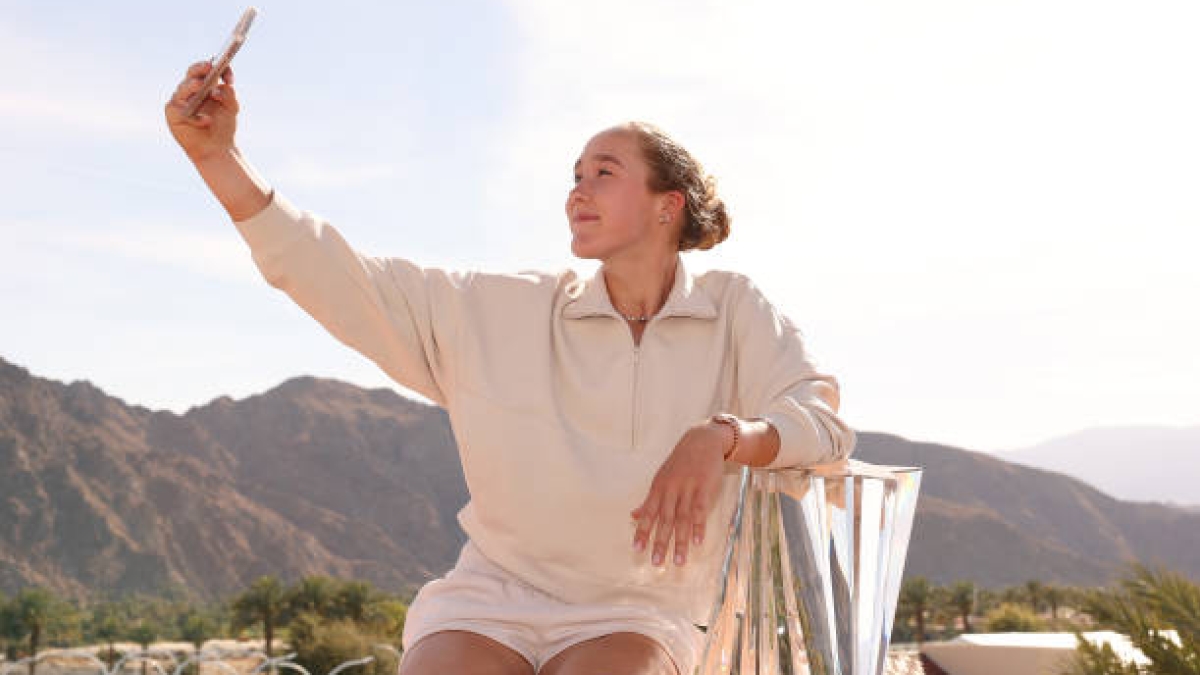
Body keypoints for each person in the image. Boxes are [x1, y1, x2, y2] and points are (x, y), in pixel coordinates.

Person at [165, 61, 855, 675]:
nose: (577, 192)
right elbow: (343, 277)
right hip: (490, 599)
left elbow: (821, 422)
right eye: (574, 176)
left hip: (639, 611)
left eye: (603, 174)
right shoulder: (507, 309)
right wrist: (220, 159)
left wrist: (722, 436)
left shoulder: (733, 309)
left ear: (666, 205)